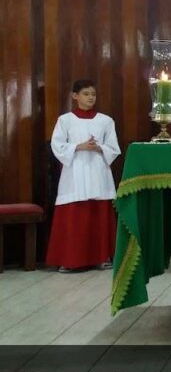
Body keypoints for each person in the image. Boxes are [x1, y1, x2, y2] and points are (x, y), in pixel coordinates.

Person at [46, 79, 121, 273]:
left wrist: (98, 147)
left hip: (98, 172)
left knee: (98, 214)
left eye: (93, 94)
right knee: (74, 217)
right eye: (86, 94)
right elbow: (58, 145)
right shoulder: (65, 120)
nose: (90, 98)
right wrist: (78, 146)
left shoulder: (105, 120)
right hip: (75, 173)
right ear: (75, 96)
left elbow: (114, 148)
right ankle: (70, 260)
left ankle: (101, 257)